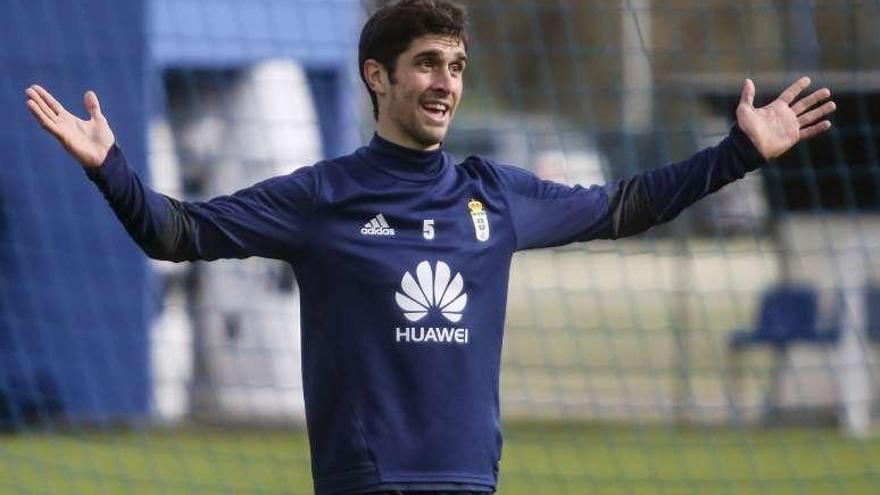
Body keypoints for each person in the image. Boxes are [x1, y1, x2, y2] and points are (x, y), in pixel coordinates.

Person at [24, 1, 835, 493]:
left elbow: (626, 205)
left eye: (456, 65)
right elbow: (178, 232)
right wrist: (111, 167)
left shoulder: (497, 193)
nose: (445, 81)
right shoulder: (323, 195)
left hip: (471, 477)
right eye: (426, 65)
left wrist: (737, 154)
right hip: (367, 480)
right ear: (377, 77)